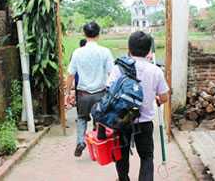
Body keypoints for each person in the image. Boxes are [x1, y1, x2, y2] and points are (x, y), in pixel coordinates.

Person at [107, 31, 169, 181]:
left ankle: (123, 179)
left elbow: (109, 92)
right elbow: (164, 97)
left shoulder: (118, 68)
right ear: (149, 51)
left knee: (121, 155)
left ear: (129, 48)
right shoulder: (155, 71)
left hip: (122, 121)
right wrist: (156, 98)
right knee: (147, 157)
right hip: (145, 122)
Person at [65, 22, 114, 157]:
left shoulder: (77, 52)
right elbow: (112, 74)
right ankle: (99, 146)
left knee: (81, 118)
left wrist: (67, 93)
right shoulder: (105, 52)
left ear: (84, 34)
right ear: (99, 34)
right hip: (100, 93)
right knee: (100, 119)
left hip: (83, 94)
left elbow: (70, 74)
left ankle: (80, 142)